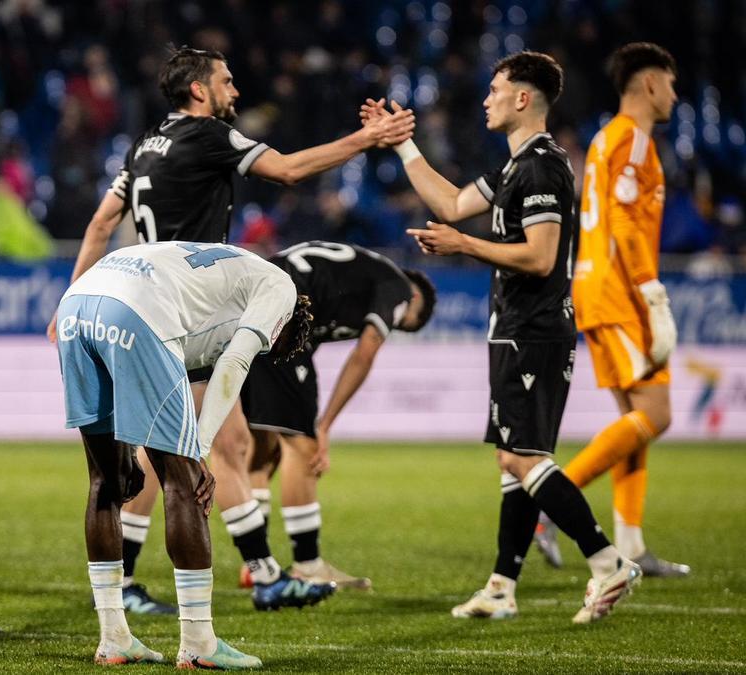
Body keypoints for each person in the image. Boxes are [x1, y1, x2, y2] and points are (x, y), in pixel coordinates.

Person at [49, 45, 413, 614]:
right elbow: (288, 170)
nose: (235, 91)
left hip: (131, 301)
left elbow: (100, 225)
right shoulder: (208, 135)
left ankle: (229, 574)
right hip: (184, 309)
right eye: (226, 80)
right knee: (210, 445)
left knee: (183, 448)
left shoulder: (143, 146)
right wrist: (366, 140)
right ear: (200, 90)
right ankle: (255, 576)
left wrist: (70, 296)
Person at [364, 51, 641, 624]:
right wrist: (403, 145)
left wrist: (464, 245)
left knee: (520, 458)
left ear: (522, 98)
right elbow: (451, 204)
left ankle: (607, 560)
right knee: (515, 458)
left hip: (533, 330)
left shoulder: (541, 168)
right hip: (517, 329)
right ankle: (501, 586)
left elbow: (540, 258)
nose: (486, 99)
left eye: (495, 90)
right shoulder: (516, 167)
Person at [57, 240, 310, 668]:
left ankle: (114, 638)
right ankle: (198, 643)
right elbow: (235, 362)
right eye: (272, 348)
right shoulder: (280, 290)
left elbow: (154, 376)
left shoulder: (224, 288)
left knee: (108, 479)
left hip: (76, 305)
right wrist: (198, 451)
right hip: (137, 308)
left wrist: (134, 448)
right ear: (283, 328)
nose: (266, 351)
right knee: (186, 484)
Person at [534, 42, 688, 577]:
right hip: (621, 292)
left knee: (635, 420)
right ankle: (552, 501)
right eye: (670, 84)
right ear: (650, 83)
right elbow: (622, 221)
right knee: (657, 414)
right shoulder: (634, 138)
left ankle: (632, 543)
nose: (674, 94)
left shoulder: (606, 139)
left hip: (598, 287)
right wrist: (651, 291)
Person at [240, 241, 436, 588]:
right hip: (282, 310)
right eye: (404, 324)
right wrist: (325, 425)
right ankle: (308, 566)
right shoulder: (400, 288)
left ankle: (256, 565)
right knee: (304, 449)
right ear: (415, 299)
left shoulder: (359, 274)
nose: (396, 325)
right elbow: (365, 352)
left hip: (250, 300)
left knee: (262, 449)